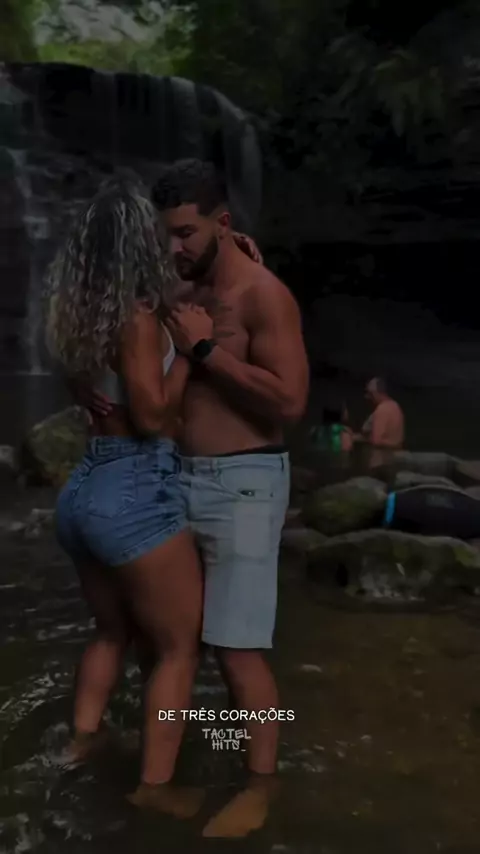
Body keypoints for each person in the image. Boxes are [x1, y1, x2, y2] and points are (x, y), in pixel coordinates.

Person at [80, 159, 310, 838]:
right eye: (165, 236)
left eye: (185, 233)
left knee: (238, 650)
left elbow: (291, 403)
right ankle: (173, 767)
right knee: (168, 641)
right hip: (173, 479)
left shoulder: (264, 296)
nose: (173, 249)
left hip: (245, 482)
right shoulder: (179, 284)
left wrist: (208, 352)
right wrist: (82, 382)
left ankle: (261, 785)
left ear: (223, 223)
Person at [45, 176, 206, 819]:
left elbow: (96, 393)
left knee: (110, 632)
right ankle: (154, 788)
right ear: (142, 243)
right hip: (136, 487)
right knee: (178, 648)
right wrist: (189, 355)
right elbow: (152, 417)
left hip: (84, 487)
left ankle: (79, 745)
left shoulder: (77, 318)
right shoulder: (137, 321)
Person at [355, 376, 404, 469]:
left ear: (376, 393)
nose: (368, 397)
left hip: (380, 461)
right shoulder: (395, 406)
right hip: (394, 457)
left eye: (370, 394)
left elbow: (376, 440)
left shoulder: (381, 410)